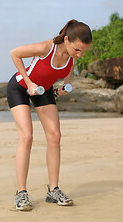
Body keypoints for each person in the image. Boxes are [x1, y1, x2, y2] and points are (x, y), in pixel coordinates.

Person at [7, 19, 92, 211]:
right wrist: (28, 83)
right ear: (67, 40)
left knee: (55, 136)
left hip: (43, 90)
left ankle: (53, 191)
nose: (79, 54)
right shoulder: (46, 48)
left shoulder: (73, 56)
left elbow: (68, 71)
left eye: (83, 51)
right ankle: (21, 193)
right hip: (20, 87)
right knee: (27, 136)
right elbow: (15, 53)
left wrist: (64, 87)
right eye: (77, 49)